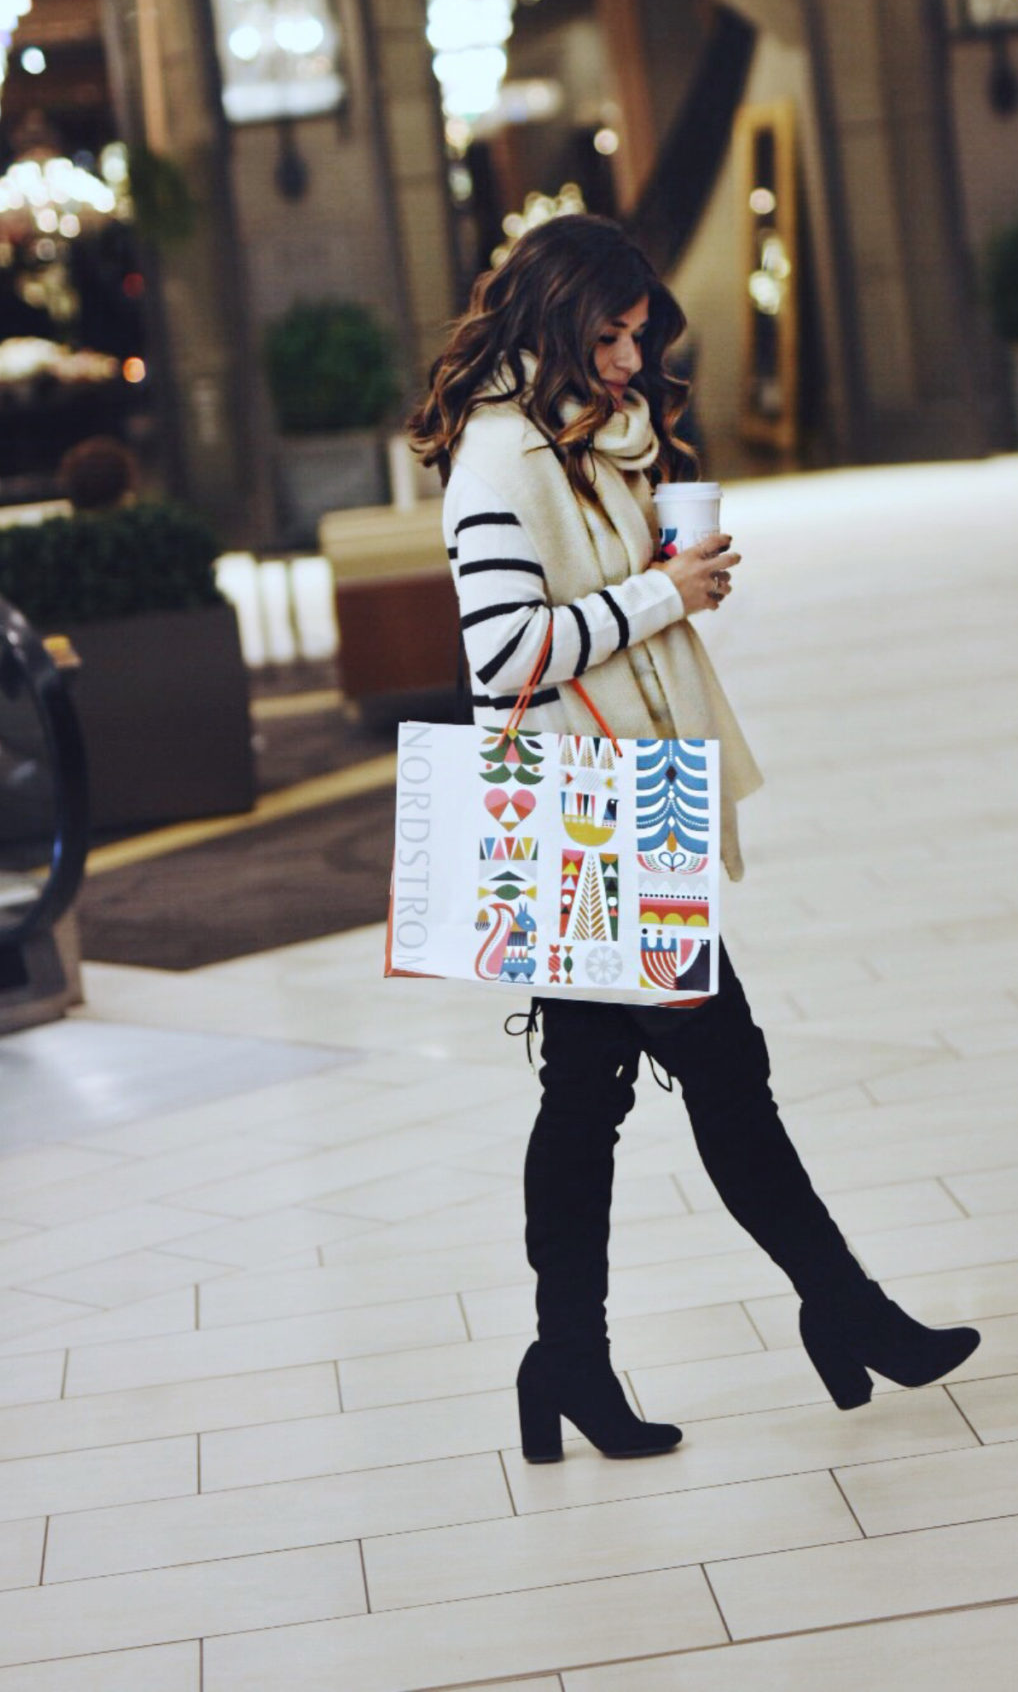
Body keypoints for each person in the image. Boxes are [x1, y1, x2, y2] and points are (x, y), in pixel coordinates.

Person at [409, 214, 979, 1465]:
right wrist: (668, 592)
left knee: (587, 1093)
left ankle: (570, 1360)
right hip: (578, 814)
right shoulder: (501, 455)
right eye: (606, 336)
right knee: (721, 1060)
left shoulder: (588, 447)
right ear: (551, 323)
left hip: (621, 798)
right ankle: (846, 1308)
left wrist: (670, 566)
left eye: (634, 337)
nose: (626, 360)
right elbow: (503, 653)